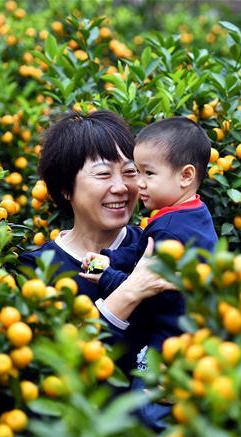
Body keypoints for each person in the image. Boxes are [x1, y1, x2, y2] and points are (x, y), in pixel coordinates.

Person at [18, 110, 175, 430]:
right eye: (103, 175)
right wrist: (129, 293)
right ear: (65, 188)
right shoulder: (39, 270)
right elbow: (57, 377)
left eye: (130, 172)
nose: (121, 187)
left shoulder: (158, 247)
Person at [81, 117, 218, 370]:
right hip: (195, 340)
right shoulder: (192, 214)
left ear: (186, 175)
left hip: (168, 350)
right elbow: (142, 253)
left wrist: (105, 275)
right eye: (138, 171)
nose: (139, 183)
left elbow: (150, 292)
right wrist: (110, 257)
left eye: (149, 173)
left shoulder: (170, 231)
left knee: (145, 405)